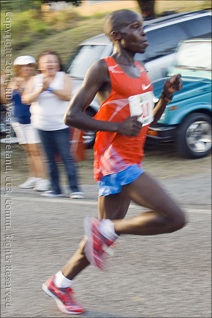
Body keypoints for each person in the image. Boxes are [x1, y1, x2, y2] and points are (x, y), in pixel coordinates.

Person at [42, 9, 187, 314]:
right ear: (118, 35)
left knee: (100, 236)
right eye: (137, 28)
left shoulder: (140, 68)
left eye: (143, 27)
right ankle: (107, 232)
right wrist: (117, 128)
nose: (144, 33)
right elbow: (73, 115)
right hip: (115, 158)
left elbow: (147, 119)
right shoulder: (103, 68)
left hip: (133, 154)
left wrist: (166, 97)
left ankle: (60, 283)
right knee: (175, 218)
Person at [22, 51, 84, 199]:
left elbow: (67, 96)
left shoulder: (64, 77)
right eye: (46, 62)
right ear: (40, 66)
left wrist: (50, 88)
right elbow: (26, 99)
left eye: (53, 61)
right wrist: (40, 89)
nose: (50, 64)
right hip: (41, 125)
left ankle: (75, 189)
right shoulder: (35, 80)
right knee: (48, 159)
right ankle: (56, 189)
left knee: (66, 157)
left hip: (60, 125)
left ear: (58, 64)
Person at [2, 56, 50, 191]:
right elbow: (6, 100)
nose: (27, 68)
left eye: (30, 66)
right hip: (18, 120)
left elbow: (27, 99)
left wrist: (21, 89)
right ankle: (34, 176)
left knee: (36, 150)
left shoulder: (36, 80)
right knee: (28, 150)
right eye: (24, 66)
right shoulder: (13, 82)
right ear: (18, 68)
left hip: (33, 120)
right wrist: (3, 85)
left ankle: (44, 179)